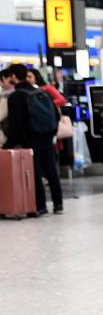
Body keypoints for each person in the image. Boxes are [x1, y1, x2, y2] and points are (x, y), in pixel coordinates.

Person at [2, 64, 63, 216]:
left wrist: (10, 143)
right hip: (47, 134)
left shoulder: (17, 96)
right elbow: (56, 114)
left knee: (35, 171)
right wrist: (53, 132)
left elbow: (16, 123)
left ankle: (40, 206)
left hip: (31, 137)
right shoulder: (41, 91)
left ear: (14, 77)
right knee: (50, 169)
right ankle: (58, 203)